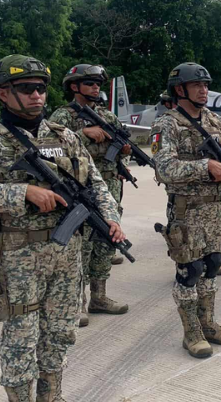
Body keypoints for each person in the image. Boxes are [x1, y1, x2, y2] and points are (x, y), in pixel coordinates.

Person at [0, 54, 126, 402]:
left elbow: (95, 183)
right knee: (21, 339)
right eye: (26, 88)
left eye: (40, 88)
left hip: (66, 255)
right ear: (1, 93)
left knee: (60, 332)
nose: (36, 95)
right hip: (17, 257)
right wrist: (21, 192)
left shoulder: (64, 136)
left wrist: (110, 217)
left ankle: (49, 401)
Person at [152, 63, 221, 358]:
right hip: (187, 212)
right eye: (197, 85)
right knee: (189, 271)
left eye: (206, 85)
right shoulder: (166, 124)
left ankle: (208, 323)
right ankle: (191, 332)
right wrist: (204, 166)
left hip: (217, 210)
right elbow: (163, 168)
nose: (204, 90)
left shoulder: (214, 119)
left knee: (212, 264)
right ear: (179, 90)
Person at [49, 64, 130, 327]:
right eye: (90, 83)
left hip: (109, 188)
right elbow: (50, 150)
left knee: (106, 241)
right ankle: (79, 302)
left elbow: (120, 151)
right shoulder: (62, 116)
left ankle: (99, 296)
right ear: (74, 86)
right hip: (79, 189)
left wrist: (123, 155)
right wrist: (82, 134)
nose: (96, 87)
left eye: (98, 84)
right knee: (81, 246)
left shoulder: (109, 116)